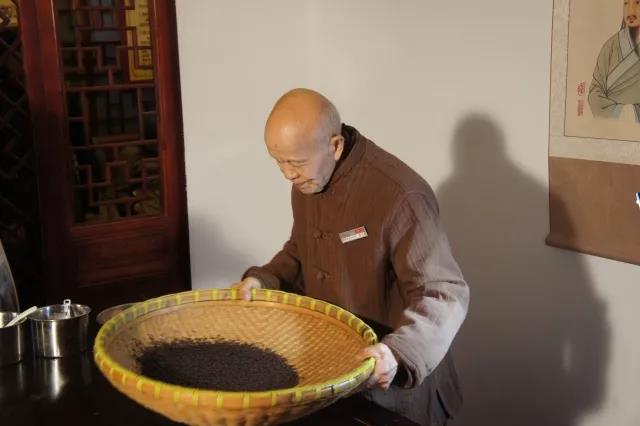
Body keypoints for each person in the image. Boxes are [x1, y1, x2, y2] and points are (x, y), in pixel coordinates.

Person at [232, 88, 469, 426]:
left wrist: (397, 352)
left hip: (397, 390)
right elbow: (301, 250)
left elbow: (445, 293)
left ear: (335, 145)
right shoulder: (310, 179)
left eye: (296, 162)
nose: (287, 174)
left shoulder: (401, 194)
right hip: (335, 376)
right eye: (279, 161)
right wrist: (262, 279)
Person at [588, 0, 640, 121]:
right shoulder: (610, 46)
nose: (630, 11)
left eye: (637, 3)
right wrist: (619, 112)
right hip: (611, 123)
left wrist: (634, 113)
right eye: (626, 3)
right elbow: (595, 90)